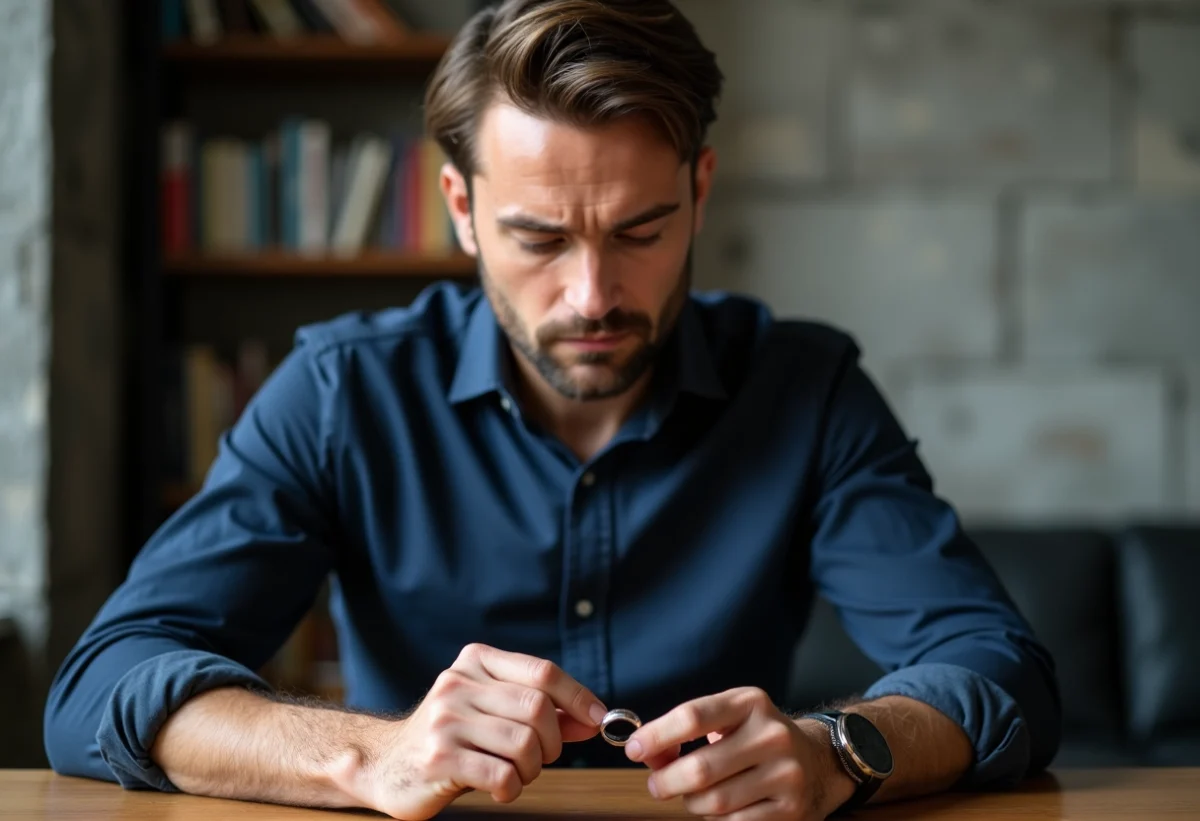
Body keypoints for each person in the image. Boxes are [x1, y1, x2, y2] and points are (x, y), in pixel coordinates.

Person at [44, 1, 1061, 819]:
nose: (592, 296)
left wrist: (839, 747)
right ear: (460, 209)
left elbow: (1001, 672)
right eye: (538, 239)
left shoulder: (806, 389)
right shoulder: (341, 392)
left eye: (641, 231)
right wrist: (370, 753)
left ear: (701, 192)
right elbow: (103, 685)